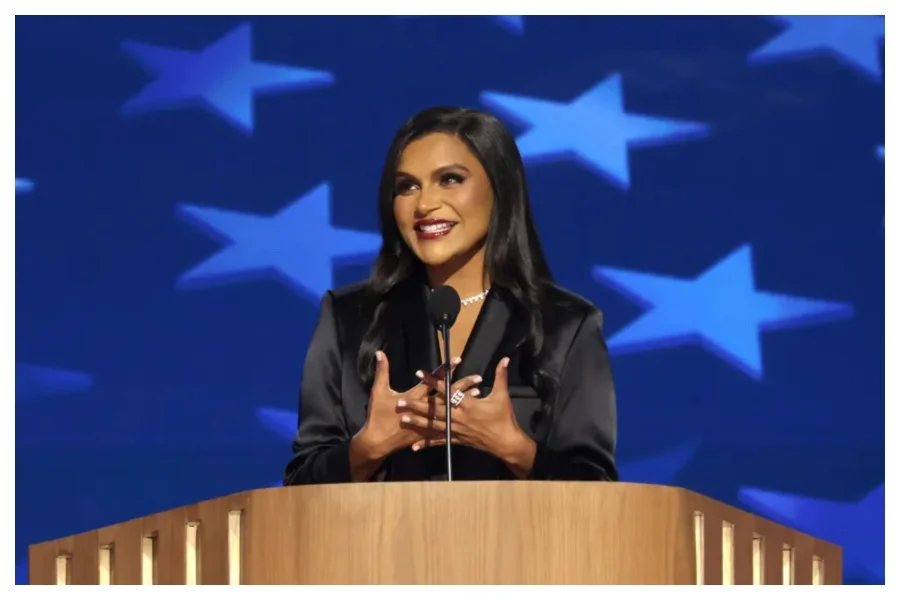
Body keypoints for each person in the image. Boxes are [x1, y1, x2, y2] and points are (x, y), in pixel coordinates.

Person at [283, 107, 618, 484]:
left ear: (499, 188)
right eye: (407, 186)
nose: (424, 204)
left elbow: (598, 490)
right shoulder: (348, 319)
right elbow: (299, 488)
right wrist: (369, 447)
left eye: (450, 179)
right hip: (377, 543)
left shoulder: (565, 325)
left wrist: (513, 447)